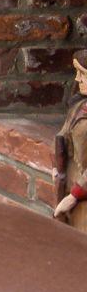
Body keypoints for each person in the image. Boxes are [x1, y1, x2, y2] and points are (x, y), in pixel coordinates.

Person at [56, 50, 87, 229]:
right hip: (70, 183)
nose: (77, 79)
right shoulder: (78, 106)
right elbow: (63, 135)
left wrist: (74, 195)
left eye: (83, 73)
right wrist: (57, 170)